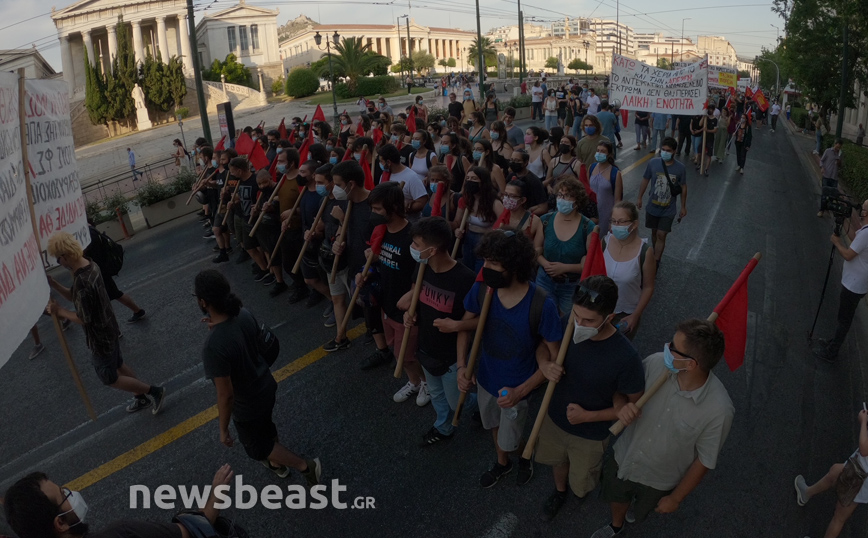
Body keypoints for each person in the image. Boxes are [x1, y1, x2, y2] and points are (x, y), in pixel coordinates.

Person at [591, 319, 733, 538]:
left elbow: (704, 460)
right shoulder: (655, 363)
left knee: (642, 510)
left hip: (659, 480)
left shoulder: (719, 410)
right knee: (617, 497)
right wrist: (621, 406)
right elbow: (621, 391)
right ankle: (616, 525)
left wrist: (675, 498)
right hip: (625, 458)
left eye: (673, 348)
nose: (666, 347)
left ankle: (634, 513)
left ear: (691, 364)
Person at [458, 229, 564, 488]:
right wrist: (462, 366)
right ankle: (502, 463)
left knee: (510, 437)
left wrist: (521, 391)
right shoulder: (484, 288)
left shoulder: (541, 304)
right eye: (485, 261)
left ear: (515, 266)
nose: (486, 269)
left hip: (517, 387)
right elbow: (465, 326)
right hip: (485, 379)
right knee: (493, 425)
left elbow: (554, 360)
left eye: (493, 263)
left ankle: (523, 455)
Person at [195, 270, 321, 484]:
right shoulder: (242, 313)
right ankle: (277, 464)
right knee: (266, 427)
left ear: (203, 302)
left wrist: (223, 429)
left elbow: (225, 395)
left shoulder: (213, 347)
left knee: (257, 447)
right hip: (266, 386)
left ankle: (306, 467)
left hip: (247, 404)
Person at [537, 276, 645, 521]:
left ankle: (579, 492)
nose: (579, 324)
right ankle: (559, 491)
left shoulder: (626, 358)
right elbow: (543, 346)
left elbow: (631, 405)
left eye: (589, 320)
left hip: (591, 435)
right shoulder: (568, 324)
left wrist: (588, 416)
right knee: (557, 461)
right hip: (553, 417)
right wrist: (544, 365)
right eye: (577, 315)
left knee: (583, 477)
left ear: (610, 317)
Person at [46, 232, 166, 414]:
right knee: (118, 365)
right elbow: (74, 297)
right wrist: (54, 284)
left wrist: (60, 311)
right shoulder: (89, 264)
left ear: (66, 255)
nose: (59, 263)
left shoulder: (82, 282)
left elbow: (83, 318)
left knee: (109, 377)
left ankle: (154, 391)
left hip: (100, 337)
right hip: (110, 326)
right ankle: (140, 397)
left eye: (58, 259)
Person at [399, 217, 477, 445]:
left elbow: (483, 320)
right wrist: (410, 314)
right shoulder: (422, 268)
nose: (412, 249)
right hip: (427, 347)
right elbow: (416, 300)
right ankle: (443, 427)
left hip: (452, 356)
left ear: (432, 250)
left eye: (416, 245)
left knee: (457, 402)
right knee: (437, 395)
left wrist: (458, 325)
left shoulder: (466, 280)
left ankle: (480, 405)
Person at [3, 465, 235, 538]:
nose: (71, 494)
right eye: (63, 496)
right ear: (60, 524)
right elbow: (195, 532)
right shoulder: (123, 533)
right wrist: (216, 493)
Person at [358, 182, 431, 405]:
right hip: (387, 303)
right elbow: (386, 260)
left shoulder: (414, 237)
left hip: (406, 307)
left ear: (394, 208)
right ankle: (415, 382)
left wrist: (412, 302)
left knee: (407, 355)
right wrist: (369, 266)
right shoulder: (381, 232)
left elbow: (421, 274)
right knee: (396, 350)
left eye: (379, 209)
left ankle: (427, 384)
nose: (374, 214)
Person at [794, 408, 868, 538]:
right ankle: (806, 492)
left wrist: (863, 421)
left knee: (839, 517)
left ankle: (806, 493)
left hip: (859, 478)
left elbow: (864, 448)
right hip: (858, 469)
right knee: (834, 471)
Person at [325, 160, 373, 351]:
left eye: (338, 184)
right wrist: (338, 241)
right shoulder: (346, 203)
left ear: (350, 184)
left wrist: (343, 219)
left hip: (370, 268)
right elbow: (341, 231)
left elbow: (367, 235)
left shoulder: (373, 205)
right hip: (353, 265)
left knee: (373, 307)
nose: (335, 189)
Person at [813, 199, 868, 363]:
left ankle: (832, 351)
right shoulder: (864, 231)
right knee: (843, 318)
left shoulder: (866, 234)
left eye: (863, 208)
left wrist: (837, 242)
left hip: (854, 285)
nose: (861, 210)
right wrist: (844, 219)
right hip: (856, 283)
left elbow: (848, 254)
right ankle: (833, 343)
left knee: (843, 320)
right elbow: (853, 239)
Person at [537, 178, 598, 314]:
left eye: (567, 195)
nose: (562, 199)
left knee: (567, 323)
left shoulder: (588, 227)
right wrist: (545, 264)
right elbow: (536, 250)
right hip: (544, 281)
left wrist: (565, 268)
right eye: (560, 195)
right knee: (542, 317)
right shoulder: (545, 220)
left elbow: (590, 262)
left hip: (571, 286)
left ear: (577, 200)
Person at [603, 201, 656, 339]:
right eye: (613, 221)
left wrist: (635, 315)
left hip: (624, 315)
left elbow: (648, 287)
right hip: (601, 309)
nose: (616, 225)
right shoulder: (605, 242)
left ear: (634, 224)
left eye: (621, 222)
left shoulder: (645, 252)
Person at [636, 138, 687, 268]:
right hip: (653, 206)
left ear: (674, 151)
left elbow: (683, 187)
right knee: (654, 233)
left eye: (668, 151)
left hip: (668, 209)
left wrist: (683, 206)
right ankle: (654, 253)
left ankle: (656, 261)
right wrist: (640, 197)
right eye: (663, 150)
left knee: (661, 234)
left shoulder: (680, 168)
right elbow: (645, 180)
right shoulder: (653, 163)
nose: (664, 152)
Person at [454, 166, 504, 271]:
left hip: (485, 241)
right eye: (467, 178)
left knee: (479, 271)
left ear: (483, 182)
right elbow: (457, 222)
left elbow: (504, 224)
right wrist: (457, 230)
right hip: (468, 240)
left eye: (474, 179)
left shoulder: (494, 203)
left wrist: (492, 235)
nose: (470, 181)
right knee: (467, 269)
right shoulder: (466, 200)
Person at [378, 144, 429, 222]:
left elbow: (422, 202)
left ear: (388, 162)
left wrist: (404, 207)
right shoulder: (385, 175)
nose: (380, 164)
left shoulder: (411, 177)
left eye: (381, 161)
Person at [589, 141, 623, 236]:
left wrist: (614, 220)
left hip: (606, 215)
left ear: (609, 154)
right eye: (598, 150)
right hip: (591, 214)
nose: (599, 153)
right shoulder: (591, 168)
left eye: (603, 151)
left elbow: (617, 200)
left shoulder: (615, 173)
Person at [501, 179, 544, 251]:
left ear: (523, 200)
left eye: (512, 196)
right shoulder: (502, 214)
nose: (507, 199)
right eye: (505, 195)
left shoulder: (534, 221)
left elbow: (537, 248)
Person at [506, 150, 549, 215]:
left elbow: (543, 207)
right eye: (511, 160)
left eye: (517, 161)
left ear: (525, 163)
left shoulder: (533, 181)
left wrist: (525, 215)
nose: (513, 163)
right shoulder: (511, 176)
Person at [817, 139, 844, 218]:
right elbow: (822, 161)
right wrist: (822, 167)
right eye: (837, 147)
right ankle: (821, 210)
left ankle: (828, 207)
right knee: (824, 194)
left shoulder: (840, 154)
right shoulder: (828, 151)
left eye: (839, 148)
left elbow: (841, 165)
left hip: (834, 178)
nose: (837, 149)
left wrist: (839, 160)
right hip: (826, 176)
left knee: (832, 195)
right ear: (835, 144)